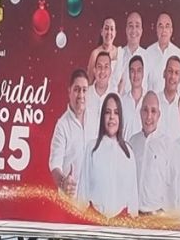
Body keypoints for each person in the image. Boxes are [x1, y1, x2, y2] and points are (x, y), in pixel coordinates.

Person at [78, 93, 140, 218]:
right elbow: (82, 193)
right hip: (94, 222)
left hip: (121, 226)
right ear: (102, 117)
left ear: (120, 118)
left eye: (116, 112)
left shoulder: (128, 153)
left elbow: (133, 199)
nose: (112, 117)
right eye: (108, 112)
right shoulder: (92, 148)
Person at [49, 69, 95, 198]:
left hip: (92, 202)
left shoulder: (95, 119)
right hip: (70, 203)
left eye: (84, 90)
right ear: (69, 91)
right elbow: (55, 165)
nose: (81, 95)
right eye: (77, 89)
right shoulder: (62, 125)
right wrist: (63, 182)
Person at [129, 91, 171, 213]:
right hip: (134, 216)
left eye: (153, 111)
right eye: (145, 110)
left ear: (159, 115)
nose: (148, 116)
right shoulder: (132, 142)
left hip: (157, 217)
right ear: (140, 113)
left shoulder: (167, 145)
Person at [145, 12, 180, 93]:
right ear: (156, 29)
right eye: (161, 26)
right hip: (152, 102)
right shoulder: (148, 52)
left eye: (167, 26)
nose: (164, 30)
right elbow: (144, 82)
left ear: (171, 30)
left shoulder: (177, 53)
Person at [114, 12, 145, 94]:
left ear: (141, 31)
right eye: (130, 26)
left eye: (137, 26)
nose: (134, 30)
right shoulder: (119, 55)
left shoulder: (148, 56)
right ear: (126, 30)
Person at [86, 52, 116, 128]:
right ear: (94, 70)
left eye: (106, 67)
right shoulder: (85, 96)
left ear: (110, 71)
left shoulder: (116, 97)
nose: (102, 71)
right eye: (99, 67)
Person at [157, 56, 180, 141]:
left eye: (176, 73)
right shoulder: (155, 102)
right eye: (170, 71)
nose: (172, 76)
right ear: (164, 73)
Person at [87, 16, 119, 84]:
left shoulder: (120, 52)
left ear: (115, 33)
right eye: (106, 28)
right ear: (101, 32)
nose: (109, 32)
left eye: (112, 29)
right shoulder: (95, 54)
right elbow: (89, 81)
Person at [120, 54, 145, 139]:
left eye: (139, 71)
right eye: (132, 71)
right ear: (129, 74)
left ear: (143, 73)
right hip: (125, 150)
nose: (135, 75)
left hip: (144, 150)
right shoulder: (122, 101)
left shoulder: (148, 101)